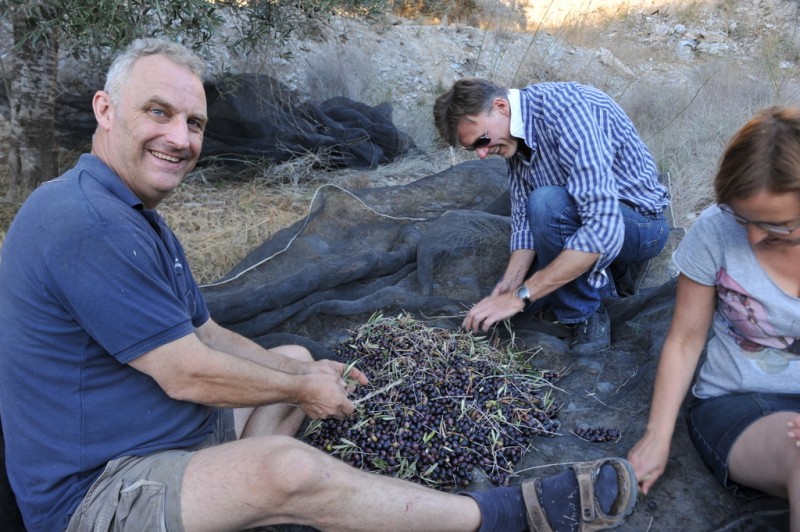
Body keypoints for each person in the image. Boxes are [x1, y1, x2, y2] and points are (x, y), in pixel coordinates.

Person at [0, 38, 640, 532]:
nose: (180, 137)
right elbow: (187, 374)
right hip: (104, 489)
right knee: (287, 462)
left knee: (298, 354)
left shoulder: (132, 216)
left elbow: (207, 330)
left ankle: (244, 498)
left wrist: (304, 375)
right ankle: (494, 516)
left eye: (193, 123)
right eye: (159, 114)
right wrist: (298, 389)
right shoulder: (86, 224)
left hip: (170, 437)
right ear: (105, 110)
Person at [627, 106, 800, 529]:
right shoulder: (715, 230)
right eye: (745, 218)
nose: (755, 236)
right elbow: (685, 339)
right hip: (744, 405)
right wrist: (657, 435)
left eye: (779, 225)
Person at [433, 78, 671, 354]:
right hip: (581, 215)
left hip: (639, 225)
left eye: (483, 140)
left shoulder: (566, 112)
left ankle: (585, 311)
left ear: (500, 106)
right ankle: (598, 274)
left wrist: (521, 297)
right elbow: (523, 218)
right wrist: (510, 285)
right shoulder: (513, 131)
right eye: (474, 148)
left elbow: (602, 226)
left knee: (547, 204)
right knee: (541, 217)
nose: (483, 153)